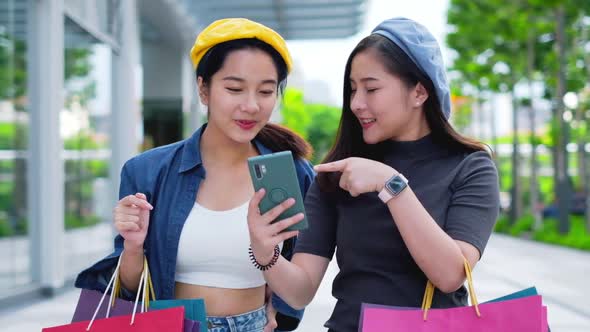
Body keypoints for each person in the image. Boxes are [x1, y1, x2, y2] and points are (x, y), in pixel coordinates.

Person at [246, 17, 500, 331]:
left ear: (419, 92)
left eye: (371, 88)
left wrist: (390, 184)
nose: (356, 103)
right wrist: (264, 250)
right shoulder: (339, 172)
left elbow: (450, 274)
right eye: (353, 90)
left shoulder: (470, 166)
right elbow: (300, 292)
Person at [75, 18, 315, 332]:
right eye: (234, 88)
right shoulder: (148, 171)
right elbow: (130, 289)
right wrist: (133, 247)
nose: (251, 105)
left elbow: (300, 279)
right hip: (172, 326)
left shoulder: (290, 172)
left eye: (266, 91)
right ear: (204, 89)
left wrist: (278, 313)